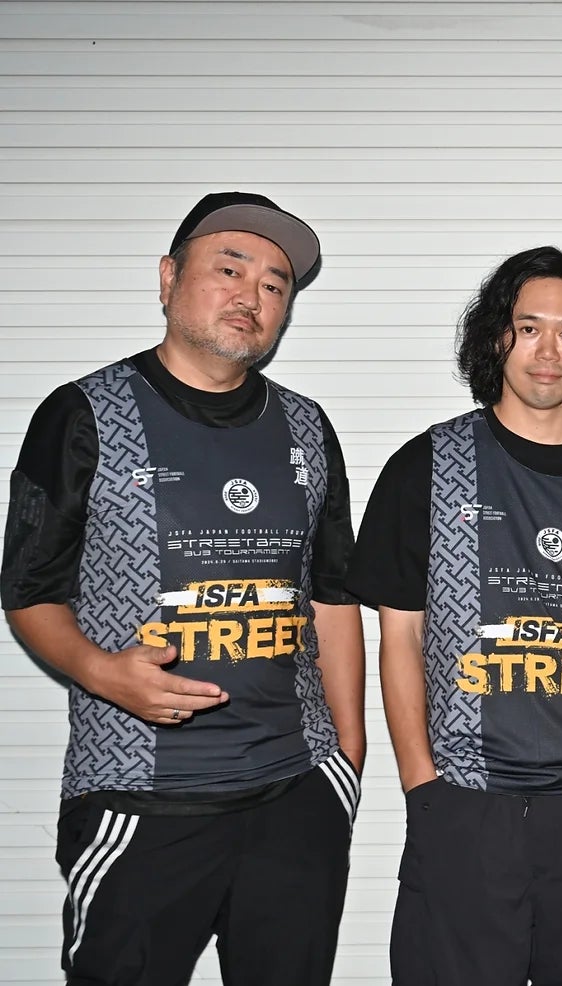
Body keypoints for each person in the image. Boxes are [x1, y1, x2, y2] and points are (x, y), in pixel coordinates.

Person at [1, 191, 365, 985]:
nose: (252, 295)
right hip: (140, 799)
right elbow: (28, 590)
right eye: (230, 269)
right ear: (168, 278)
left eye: (274, 284)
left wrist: (347, 757)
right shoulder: (82, 414)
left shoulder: (307, 428)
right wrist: (102, 672)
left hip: (294, 796)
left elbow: (333, 597)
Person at [348, 246, 562, 986]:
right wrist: (423, 786)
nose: (548, 350)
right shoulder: (426, 466)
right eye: (529, 327)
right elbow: (399, 636)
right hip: (469, 806)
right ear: (497, 336)